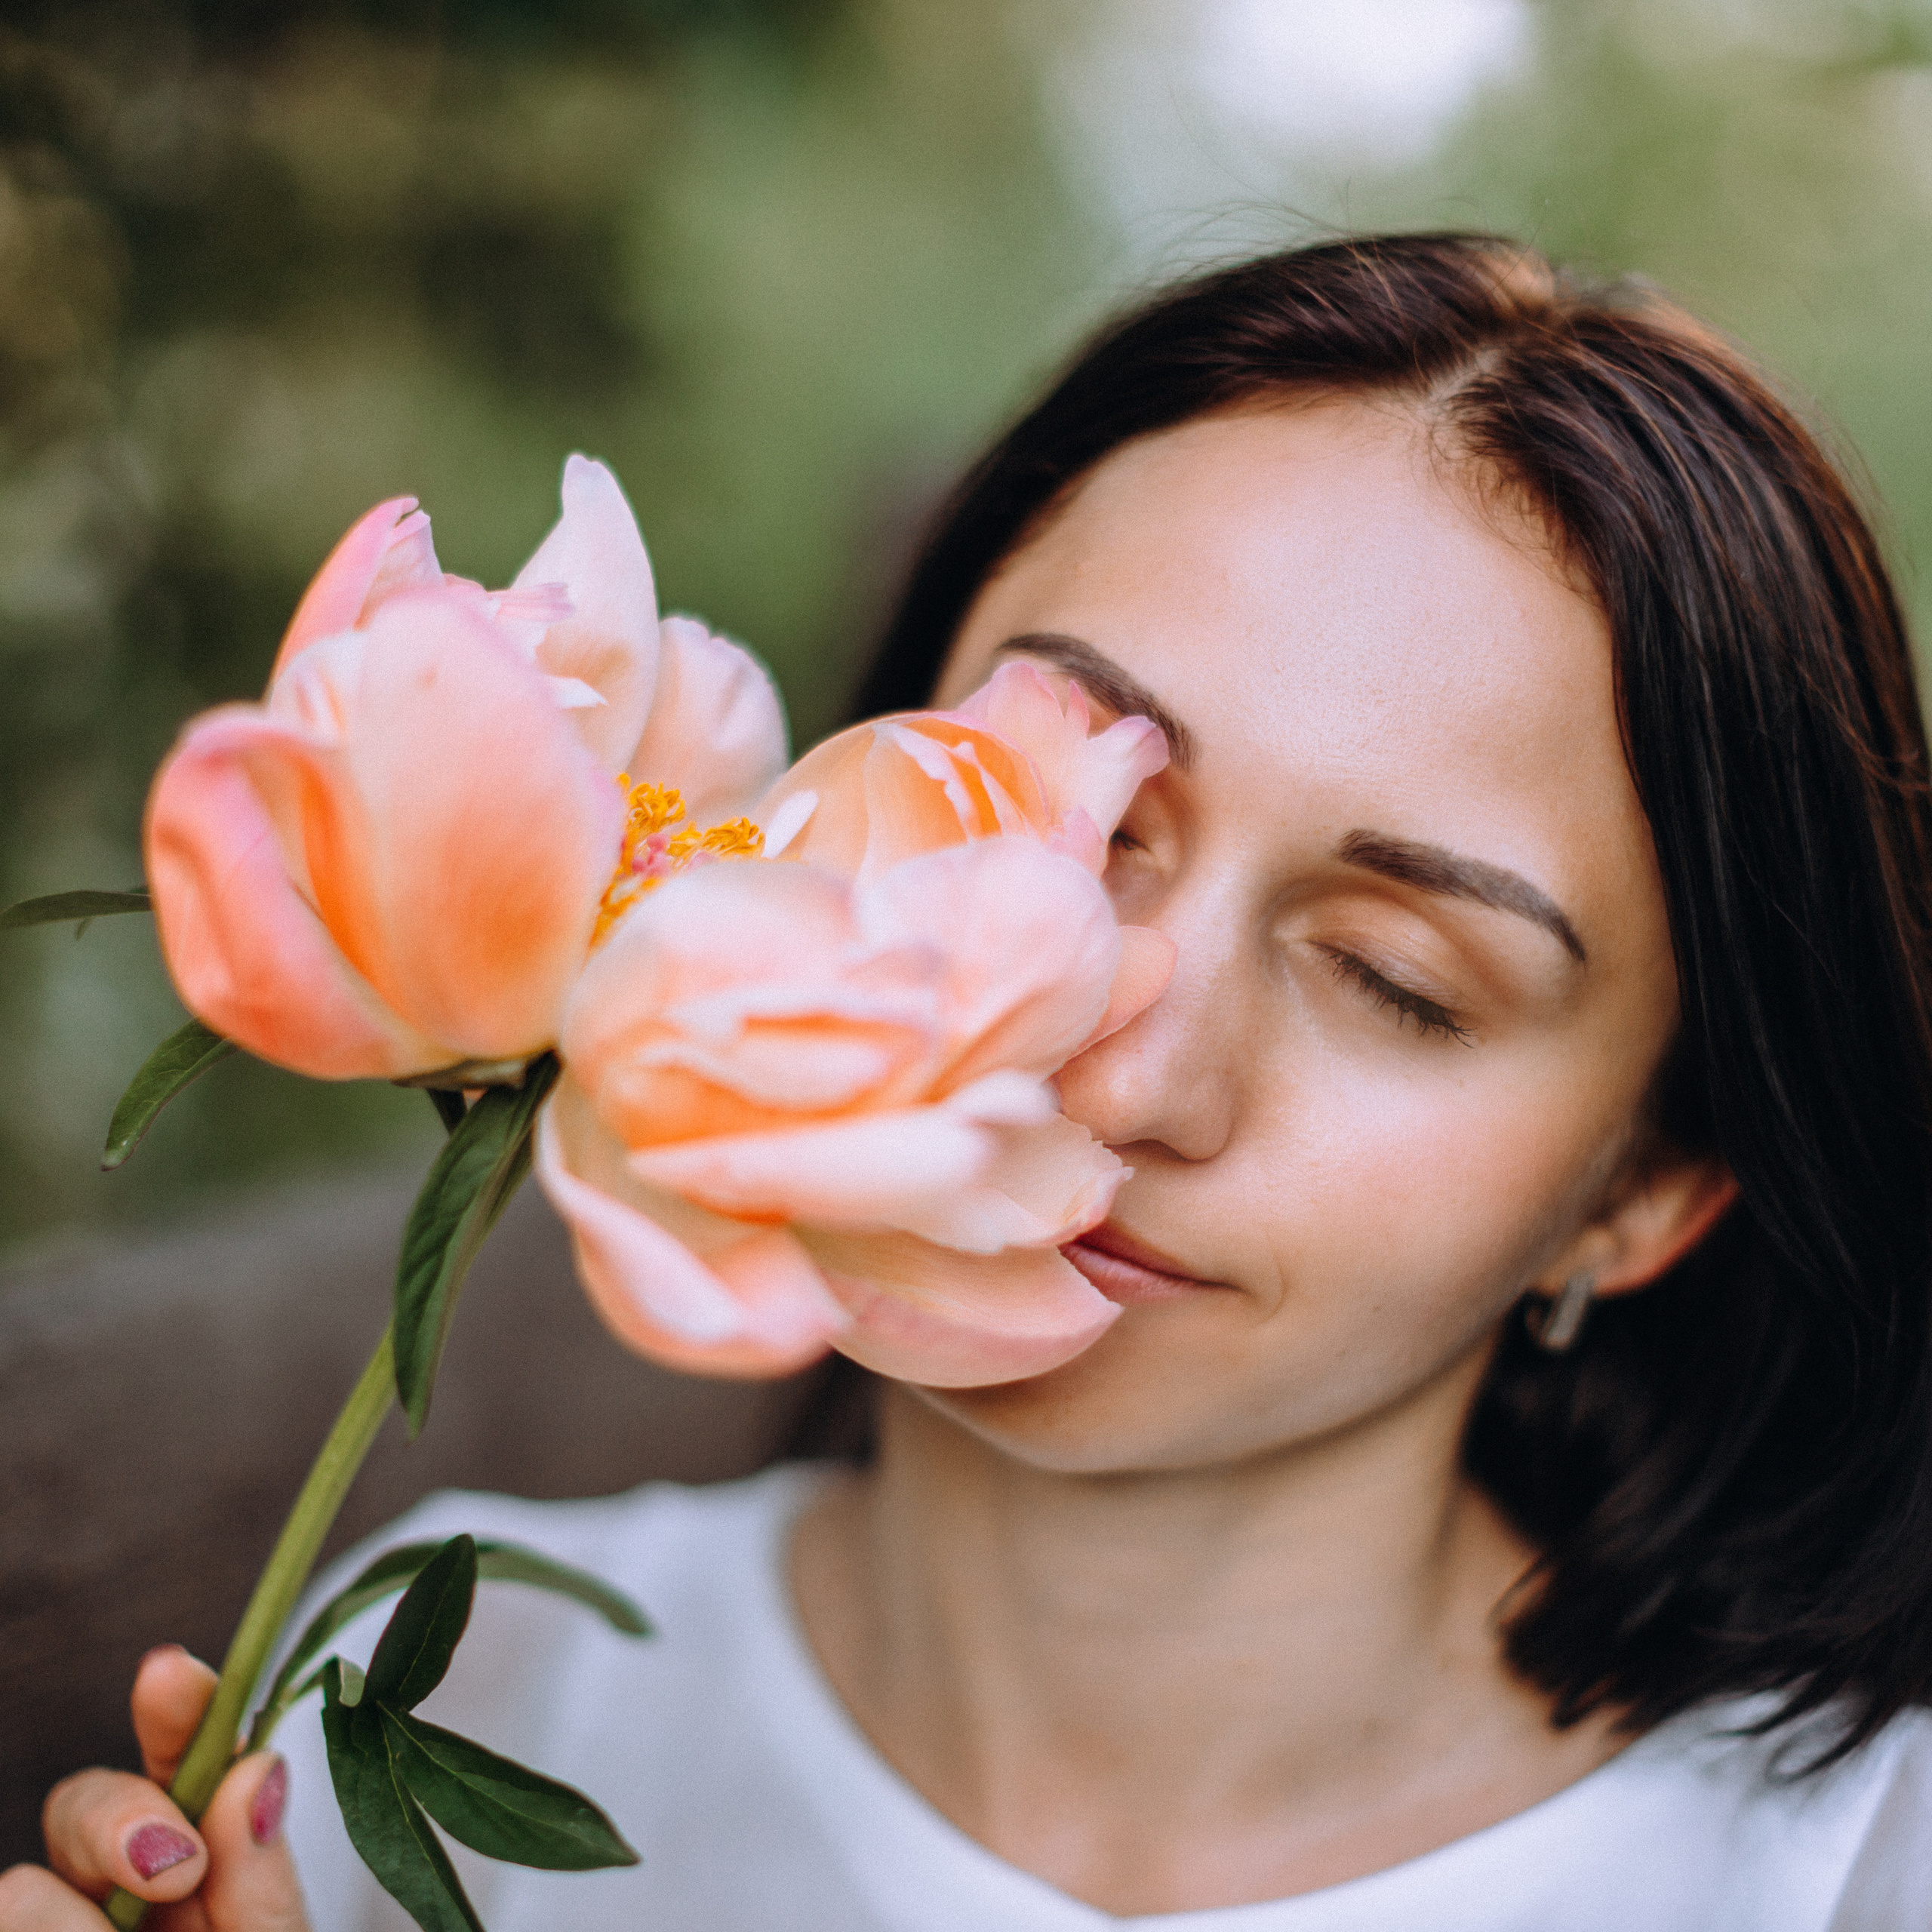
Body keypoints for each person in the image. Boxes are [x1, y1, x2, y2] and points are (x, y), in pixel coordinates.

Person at [9, 232, 1932, 1930]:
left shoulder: (1856, 1869)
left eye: (1395, 981)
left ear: (1643, 1188)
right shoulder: (442, 1686)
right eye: (1078, 813)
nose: (1139, 1060)